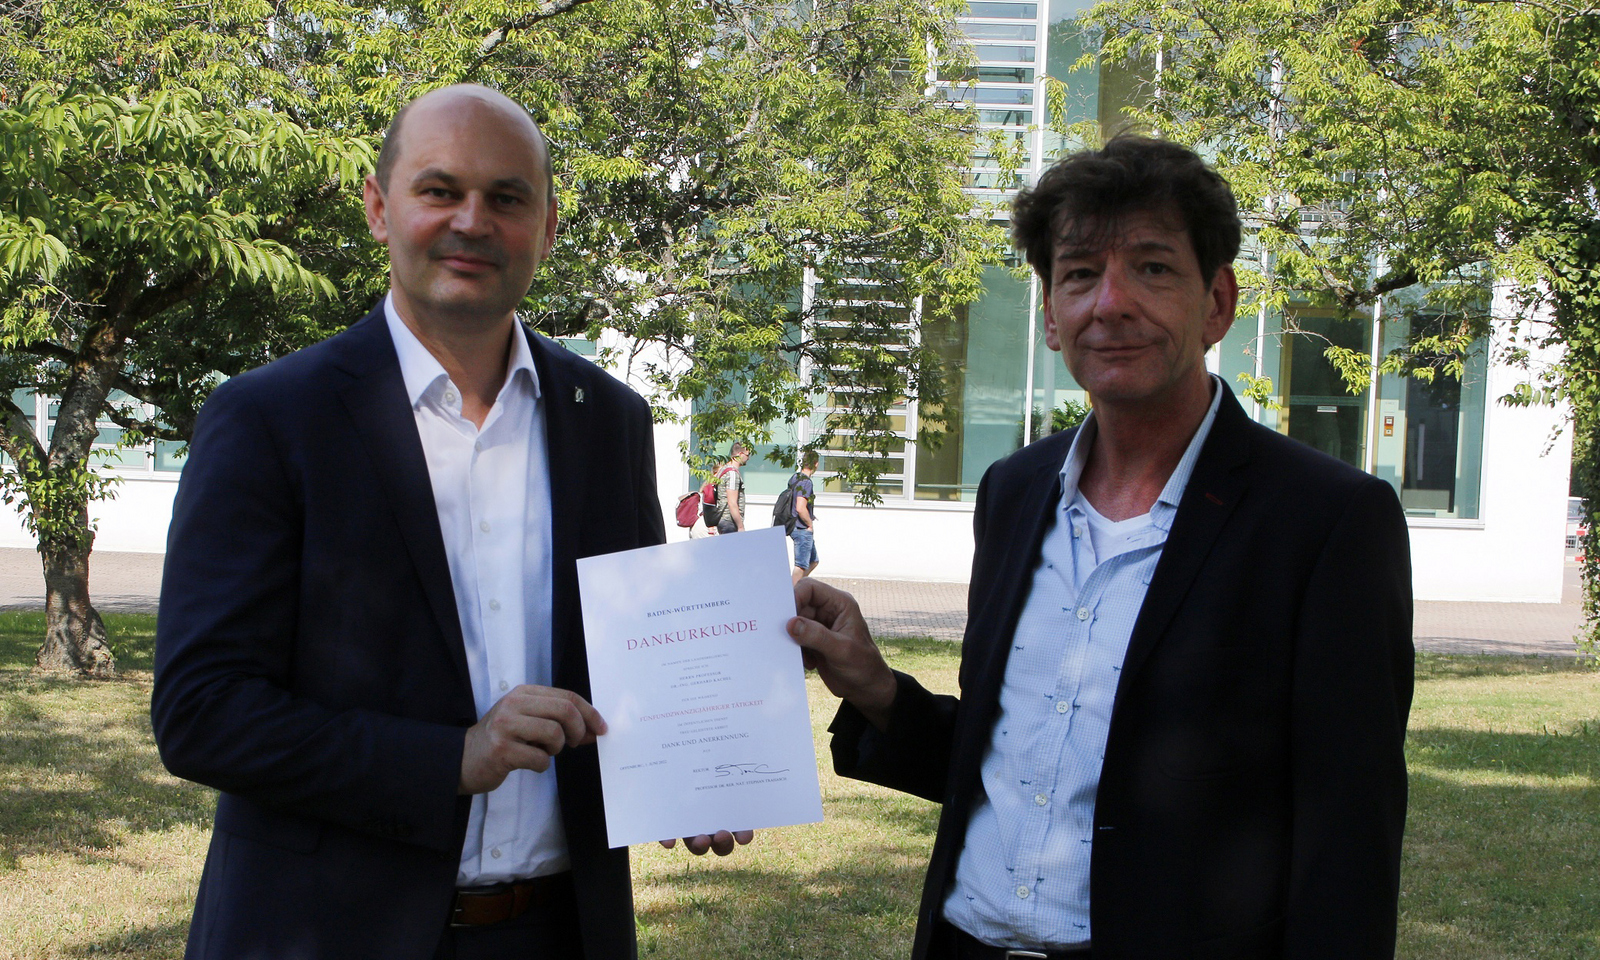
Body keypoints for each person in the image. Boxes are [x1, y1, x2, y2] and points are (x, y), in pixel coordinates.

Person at [151, 84, 746, 960]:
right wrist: (450, 760)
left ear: (546, 229)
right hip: (325, 932)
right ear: (378, 206)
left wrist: (696, 764)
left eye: (507, 198)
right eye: (440, 191)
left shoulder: (609, 420)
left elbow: (635, 661)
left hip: (560, 933)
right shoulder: (271, 418)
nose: (473, 221)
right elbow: (203, 713)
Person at [787, 136, 1414, 960]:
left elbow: (1348, 844)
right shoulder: (1014, 493)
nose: (1109, 302)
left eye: (1152, 268)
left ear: (1218, 302)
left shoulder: (1328, 521)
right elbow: (1016, 766)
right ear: (1050, 315)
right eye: (1079, 274)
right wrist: (878, 691)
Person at [787, 451, 820, 583]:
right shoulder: (806, 482)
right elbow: (800, 507)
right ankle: (791, 594)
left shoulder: (795, 478)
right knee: (801, 565)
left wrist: (811, 514)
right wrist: (809, 524)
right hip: (801, 528)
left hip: (793, 524)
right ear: (815, 464)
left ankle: (799, 589)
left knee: (814, 561)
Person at [705, 442, 750, 535]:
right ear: (740, 454)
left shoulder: (724, 469)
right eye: (747, 455)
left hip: (723, 521)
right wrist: (740, 526)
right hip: (729, 521)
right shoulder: (732, 474)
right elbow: (732, 503)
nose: (748, 458)